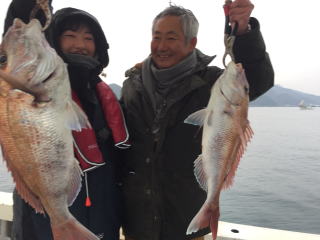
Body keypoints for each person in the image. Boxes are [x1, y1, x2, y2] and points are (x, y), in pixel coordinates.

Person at [120, 1, 274, 240]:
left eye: (171, 38)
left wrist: (243, 31)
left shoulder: (212, 83)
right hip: (136, 221)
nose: (161, 46)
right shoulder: (132, 85)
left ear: (191, 43)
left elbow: (259, 79)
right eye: (156, 36)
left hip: (184, 221)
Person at [3, 1, 129, 239]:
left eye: (89, 38)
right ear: (53, 39)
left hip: (102, 218)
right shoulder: (27, 87)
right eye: (70, 35)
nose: (80, 44)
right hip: (42, 223)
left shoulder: (105, 95)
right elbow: (18, 31)